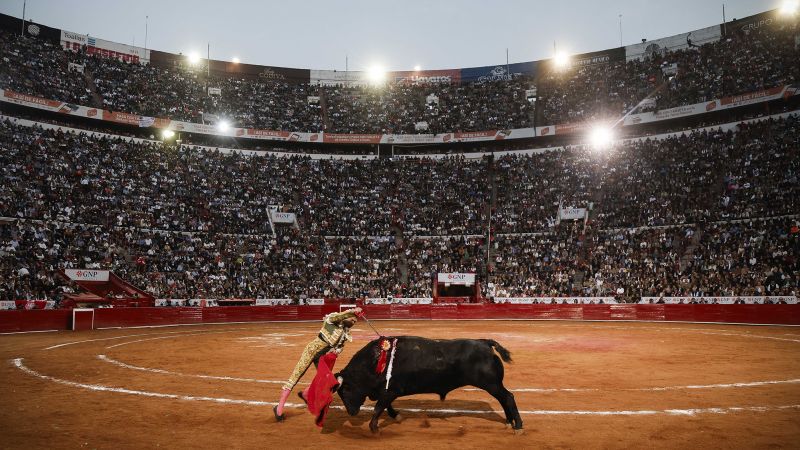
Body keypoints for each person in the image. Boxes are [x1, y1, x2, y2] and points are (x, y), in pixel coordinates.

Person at [273, 307, 364, 421]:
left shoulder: (346, 332)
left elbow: (340, 347)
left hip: (322, 357)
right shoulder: (332, 319)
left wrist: (336, 351)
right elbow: (339, 316)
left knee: (325, 381)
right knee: (295, 377)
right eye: (352, 319)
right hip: (311, 351)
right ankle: (279, 408)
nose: (353, 322)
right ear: (346, 316)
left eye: (355, 322)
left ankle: (306, 394)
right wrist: (351, 312)